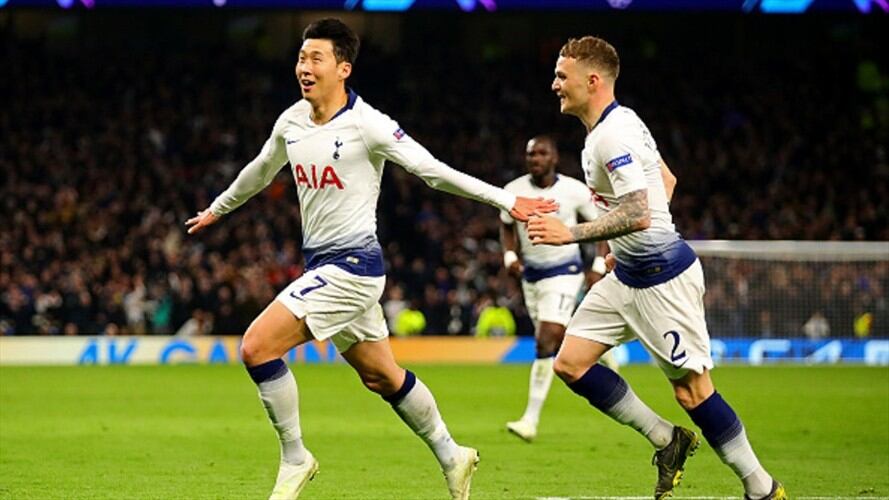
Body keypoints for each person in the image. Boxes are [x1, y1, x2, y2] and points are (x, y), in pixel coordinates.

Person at [185, 18, 556, 500]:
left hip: (354, 267)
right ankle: (452, 454)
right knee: (382, 375)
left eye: (316, 58)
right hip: (321, 266)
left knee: (257, 347)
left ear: (343, 68)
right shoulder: (291, 121)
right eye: (301, 57)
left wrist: (508, 202)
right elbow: (260, 170)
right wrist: (218, 209)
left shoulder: (369, 125)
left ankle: (296, 457)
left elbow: (435, 172)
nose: (304, 67)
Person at [527, 36, 785, 500]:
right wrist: (618, 245)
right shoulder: (612, 126)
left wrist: (572, 234)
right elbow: (665, 180)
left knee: (693, 392)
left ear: (593, 80)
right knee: (570, 363)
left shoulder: (611, 135)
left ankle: (762, 488)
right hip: (627, 273)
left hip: (663, 280)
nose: (554, 85)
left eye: (561, 77)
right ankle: (668, 441)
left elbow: (640, 212)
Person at [500, 135, 618, 442]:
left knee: (545, 342)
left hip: (565, 273)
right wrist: (510, 256)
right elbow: (506, 224)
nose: (535, 159)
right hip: (532, 276)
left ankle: (530, 420)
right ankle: (602, 349)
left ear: (554, 158)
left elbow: (601, 225)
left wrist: (597, 266)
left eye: (541, 153)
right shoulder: (513, 191)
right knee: (555, 335)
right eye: (530, 154)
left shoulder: (574, 191)